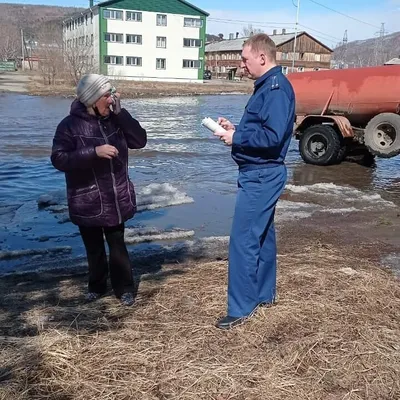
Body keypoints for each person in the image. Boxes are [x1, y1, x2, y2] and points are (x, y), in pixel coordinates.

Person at [214, 34, 295, 329]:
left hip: (261, 174)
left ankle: (240, 308)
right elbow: (264, 129)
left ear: (262, 57)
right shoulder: (269, 87)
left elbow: (272, 138)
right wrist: (235, 130)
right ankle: (263, 294)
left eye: (245, 59)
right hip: (261, 172)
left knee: (243, 239)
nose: (242, 65)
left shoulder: (274, 89)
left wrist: (237, 137)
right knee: (261, 236)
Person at [51, 74, 147, 306]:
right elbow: (59, 159)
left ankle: (124, 288)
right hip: (87, 198)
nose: (112, 100)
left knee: (117, 245)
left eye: (112, 94)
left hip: (115, 196)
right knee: (93, 248)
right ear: (92, 98)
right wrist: (94, 152)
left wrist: (122, 113)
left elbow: (140, 141)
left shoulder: (115, 120)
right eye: (107, 95)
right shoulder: (69, 125)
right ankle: (96, 285)